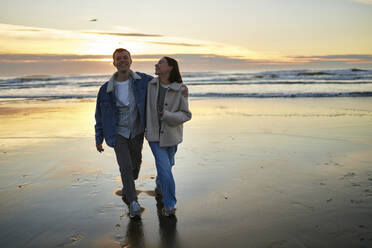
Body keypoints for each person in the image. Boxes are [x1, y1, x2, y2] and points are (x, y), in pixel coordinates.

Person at [94, 48, 152, 218]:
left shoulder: (143, 81)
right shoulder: (105, 90)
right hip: (117, 132)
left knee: (135, 165)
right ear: (114, 63)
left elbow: (164, 82)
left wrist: (179, 87)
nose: (122, 61)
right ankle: (133, 203)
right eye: (118, 59)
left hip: (137, 131)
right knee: (125, 166)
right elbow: (99, 116)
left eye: (125, 58)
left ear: (131, 60)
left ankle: (129, 185)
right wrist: (99, 137)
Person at [145, 57, 192, 217]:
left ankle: (159, 186)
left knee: (168, 164)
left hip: (172, 136)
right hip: (153, 135)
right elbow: (132, 75)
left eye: (160, 63)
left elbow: (186, 114)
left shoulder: (180, 89)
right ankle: (170, 204)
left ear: (170, 67)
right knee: (164, 167)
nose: (156, 65)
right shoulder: (149, 84)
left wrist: (168, 115)